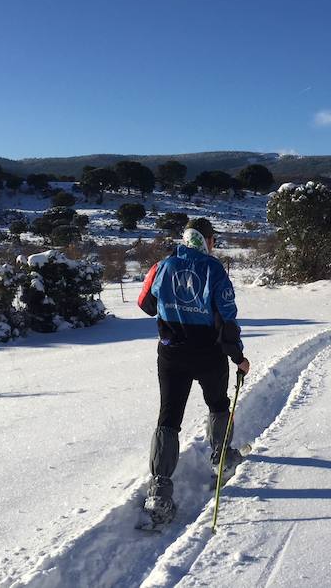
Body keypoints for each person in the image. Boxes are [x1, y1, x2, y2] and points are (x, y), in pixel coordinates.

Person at [137, 217, 250, 525]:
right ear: (207, 240)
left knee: (169, 416)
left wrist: (173, 306)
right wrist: (238, 357)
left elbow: (145, 303)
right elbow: (227, 320)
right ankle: (222, 458)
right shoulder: (214, 271)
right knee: (218, 403)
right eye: (213, 239)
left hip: (171, 353)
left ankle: (159, 491)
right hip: (208, 355)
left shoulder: (163, 266)